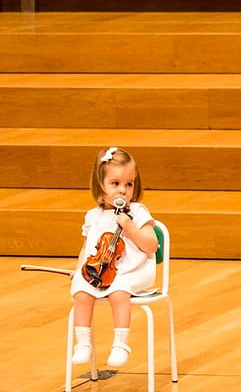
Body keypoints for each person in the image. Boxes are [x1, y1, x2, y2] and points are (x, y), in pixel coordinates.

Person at [70, 147, 159, 367]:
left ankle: (121, 343)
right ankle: (83, 342)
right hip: (100, 271)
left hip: (132, 271)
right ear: (101, 185)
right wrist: (80, 269)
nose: (123, 191)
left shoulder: (138, 212)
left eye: (128, 185)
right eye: (115, 184)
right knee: (81, 293)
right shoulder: (94, 216)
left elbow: (151, 246)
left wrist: (130, 227)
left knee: (119, 292)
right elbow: (87, 248)